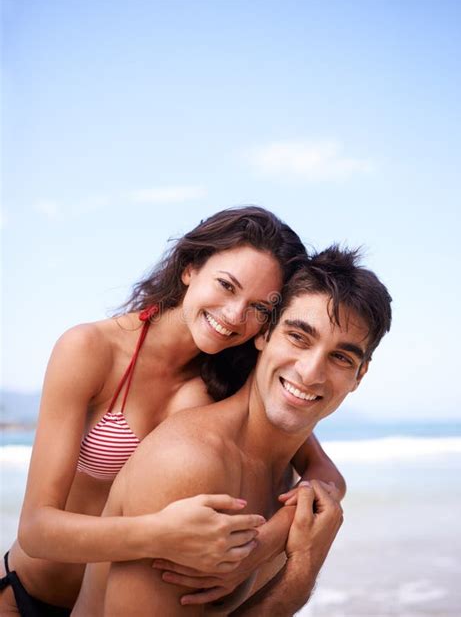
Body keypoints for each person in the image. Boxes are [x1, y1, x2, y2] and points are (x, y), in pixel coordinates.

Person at [0, 207, 345, 616]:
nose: (234, 316)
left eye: (260, 307)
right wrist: (160, 534)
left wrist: (262, 546)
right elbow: (37, 530)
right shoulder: (91, 351)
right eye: (225, 285)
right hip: (27, 598)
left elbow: (327, 480)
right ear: (189, 268)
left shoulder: (238, 378)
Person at [73, 245, 392, 616]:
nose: (310, 372)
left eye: (341, 357)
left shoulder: (294, 470)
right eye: (298, 337)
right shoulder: (189, 464)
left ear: (360, 375)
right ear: (264, 335)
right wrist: (302, 571)